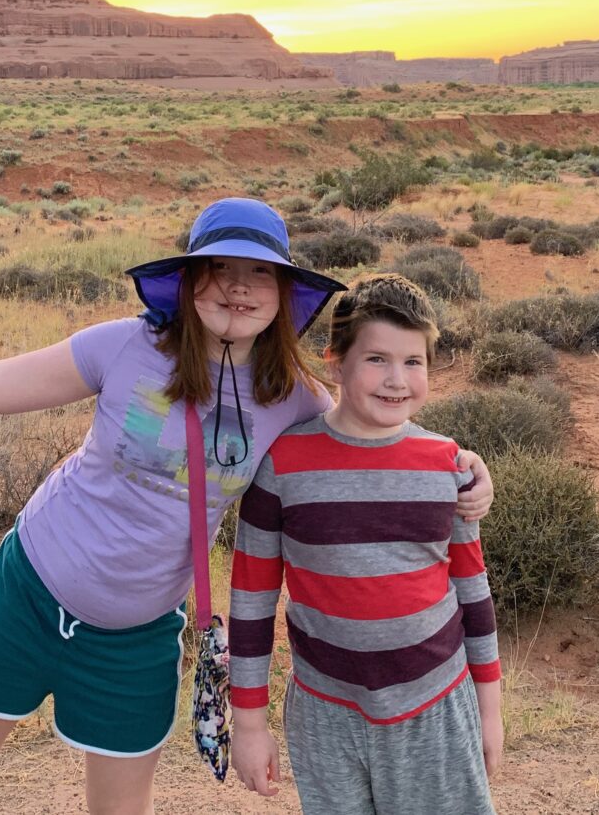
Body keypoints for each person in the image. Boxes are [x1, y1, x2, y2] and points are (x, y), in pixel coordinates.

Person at [0, 199, 494, 815]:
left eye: (258, 274)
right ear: (189, 281)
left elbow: (370, 428)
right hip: (28, 591)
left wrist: (464, 470)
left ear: (282, 293)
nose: (237, 287)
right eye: (218, 268)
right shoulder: (124, 347)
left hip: (135, 637)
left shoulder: (292, 397)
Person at [229, 273, 502, 815]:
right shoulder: (283, 464)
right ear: (335, 361)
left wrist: (489, 712)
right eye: (377, 359)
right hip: (325, 712)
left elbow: (473, 591)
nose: (397, 380)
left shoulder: (449, 467)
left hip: (435, 707)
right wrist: (249, 723)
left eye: (414, 362)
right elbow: (251, 601)